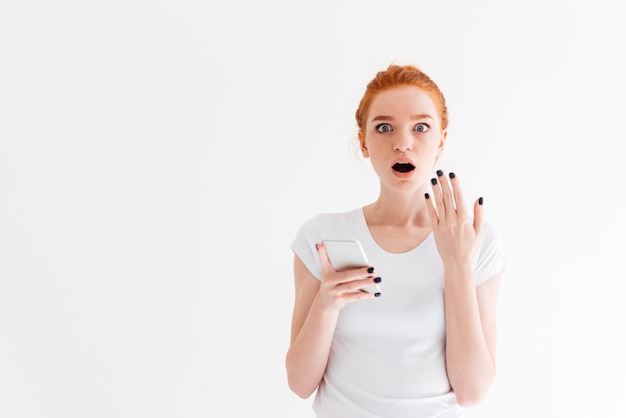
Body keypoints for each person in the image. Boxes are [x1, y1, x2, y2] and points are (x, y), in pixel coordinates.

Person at [286, 64, 506, 418]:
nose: (403, 143)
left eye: (421, 128)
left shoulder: (475, 240)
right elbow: (299, 383)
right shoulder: (321, 236)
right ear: (363, 143)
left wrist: (458, 264)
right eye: (384, 127)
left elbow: (473, 391)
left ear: (441, 141)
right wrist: (327, 304)